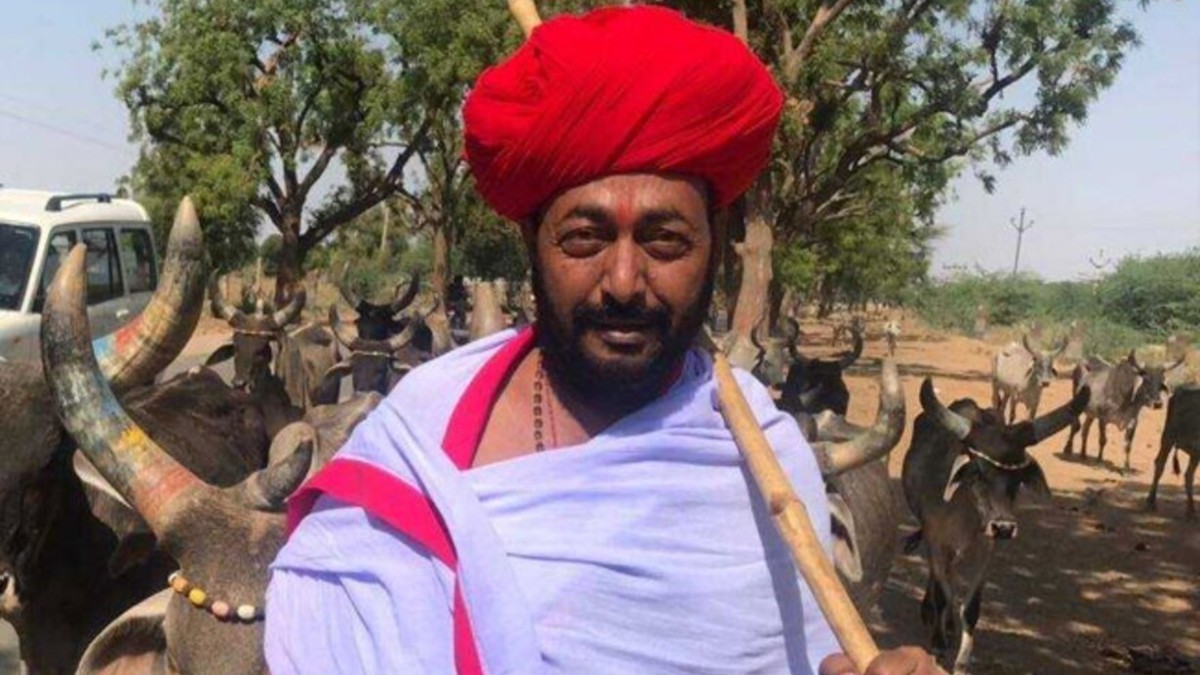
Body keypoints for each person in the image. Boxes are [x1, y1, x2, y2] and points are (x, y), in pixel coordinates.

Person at [266, 7, 936, 675]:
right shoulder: (417, 439)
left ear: (715, 243)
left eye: (665, 240)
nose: (622, 281)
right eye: (584, 238)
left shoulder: (769, 469)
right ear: (531, 239)